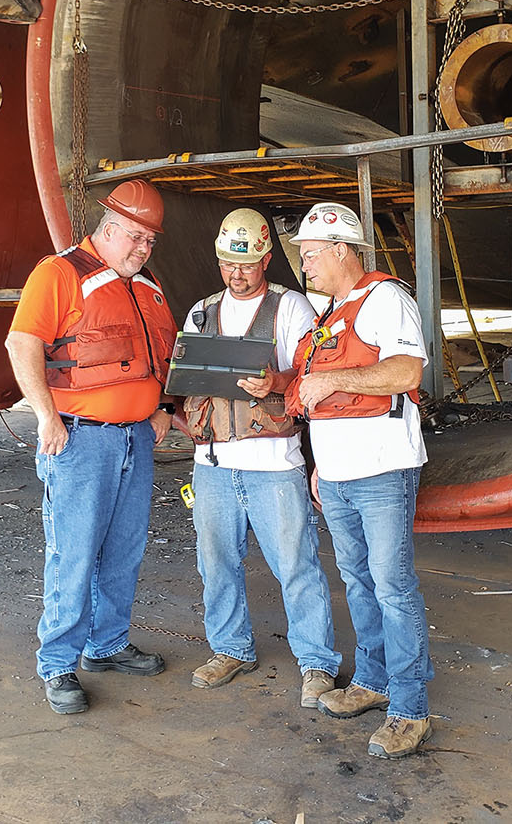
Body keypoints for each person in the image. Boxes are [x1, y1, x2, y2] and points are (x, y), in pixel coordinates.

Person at [4, 179, 178, 715]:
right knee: (73, 554)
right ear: (107, 227)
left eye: (149, 241)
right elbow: (21, 342)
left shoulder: (146, 286)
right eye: (133, 237)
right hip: (79, 441)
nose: (142, 249)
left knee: (124, 552)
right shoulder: (59, 274)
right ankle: (59, 664)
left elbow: (161, 358)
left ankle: (106, 646)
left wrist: (161, 410)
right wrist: (46, 417)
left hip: (136, 440)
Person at [286, 201, 435, 759]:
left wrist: (331, 380)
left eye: (311, 254)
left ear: (342, 250)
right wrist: (323, 464)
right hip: (341, 474)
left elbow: (406, 371)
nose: (304, 265)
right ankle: (372, 684)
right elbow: (326, 405)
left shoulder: (385, 299)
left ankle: (410, 709)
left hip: (381, 471)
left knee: (393, 588)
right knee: (359, 583)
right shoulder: (330, 314)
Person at [179, 207, 341, 710]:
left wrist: (276, 382)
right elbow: (185, 380)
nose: (238, 273)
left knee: (297, 566)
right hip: (213, 468)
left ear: (267, 259)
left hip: (275, 466)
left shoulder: (291, 308)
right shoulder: (201, 312)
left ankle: (317, 663)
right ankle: (230, 649)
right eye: (229, 263)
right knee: (216, 564)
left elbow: (315, 374)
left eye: (248, 264)